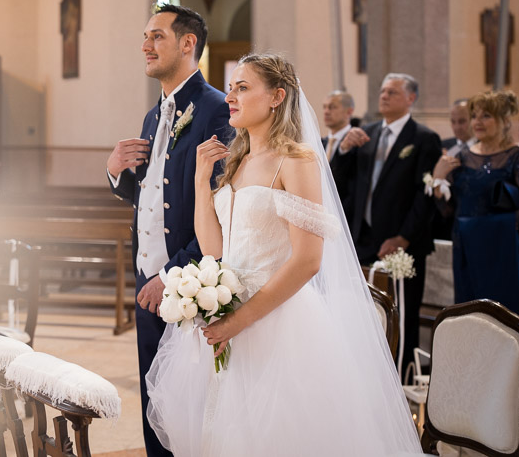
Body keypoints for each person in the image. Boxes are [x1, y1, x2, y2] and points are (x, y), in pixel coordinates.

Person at [146, 53, 421, 456]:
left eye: (242, 88)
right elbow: (215, 251)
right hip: (228, 312)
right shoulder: (237, 160)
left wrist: (238, 321)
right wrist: (202, 183)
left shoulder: (296, 160)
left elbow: (309, 260)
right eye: (231, 87)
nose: (230, 97)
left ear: (276, 96)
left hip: (278, 321)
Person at [106, 4, 232, 457]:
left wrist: (174, 274)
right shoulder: (152, 115)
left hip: (190, 285)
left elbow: (222, 211)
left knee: (191, 411)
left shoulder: (217, 110)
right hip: (148, 283)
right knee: (153, 404)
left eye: (156, 36)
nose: (145, 45)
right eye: (144, 36)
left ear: (187, 43)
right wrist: (115, 172)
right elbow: (152, 195)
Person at [330, 72, 441, 376]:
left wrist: (404, 237)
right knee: (362, 312)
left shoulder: (423, 139)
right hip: (362, 239)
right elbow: (339, 183)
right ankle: (365, 374)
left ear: (410, 98)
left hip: (400, 244)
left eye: (392, 92)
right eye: (382, 91)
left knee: (401, 315)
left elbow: (424, 195)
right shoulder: (365, 133)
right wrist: (343, 150)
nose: (384, 96)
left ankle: (401, 375)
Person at [431, 91, 519, 320]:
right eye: (475, 116)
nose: (477, 122)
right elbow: (449, 211)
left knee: (506, 320)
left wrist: (495, 225)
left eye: (486, 116)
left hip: (507, 250)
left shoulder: (517, 158)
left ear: (503, 121)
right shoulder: (462, 157)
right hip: (469, 250)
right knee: (469, 316)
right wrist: (437, 180)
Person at [321, 90, 354, 161]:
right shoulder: (320, 143)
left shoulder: (355, 143)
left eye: (332, 107)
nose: (326, 112)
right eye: (324, 107)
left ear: (349, 112)